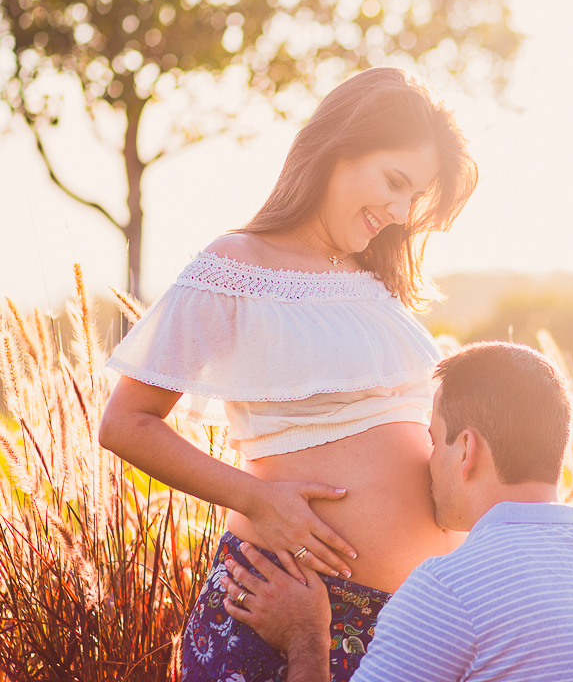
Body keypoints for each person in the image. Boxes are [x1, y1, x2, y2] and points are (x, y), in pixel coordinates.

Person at [97, 67, 478, 681]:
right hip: (285, 611)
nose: (403, 211)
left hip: (407, 626)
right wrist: (254, 498)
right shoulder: (236, 266)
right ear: (338, 148)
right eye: (395, 181)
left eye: (416, 197)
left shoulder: (379, 289)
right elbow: (125, 422)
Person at [219, 342, 573, 682]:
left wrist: (305, 637)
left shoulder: (449, 591)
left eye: (432, 438)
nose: (426, 460)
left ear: (466, 450)